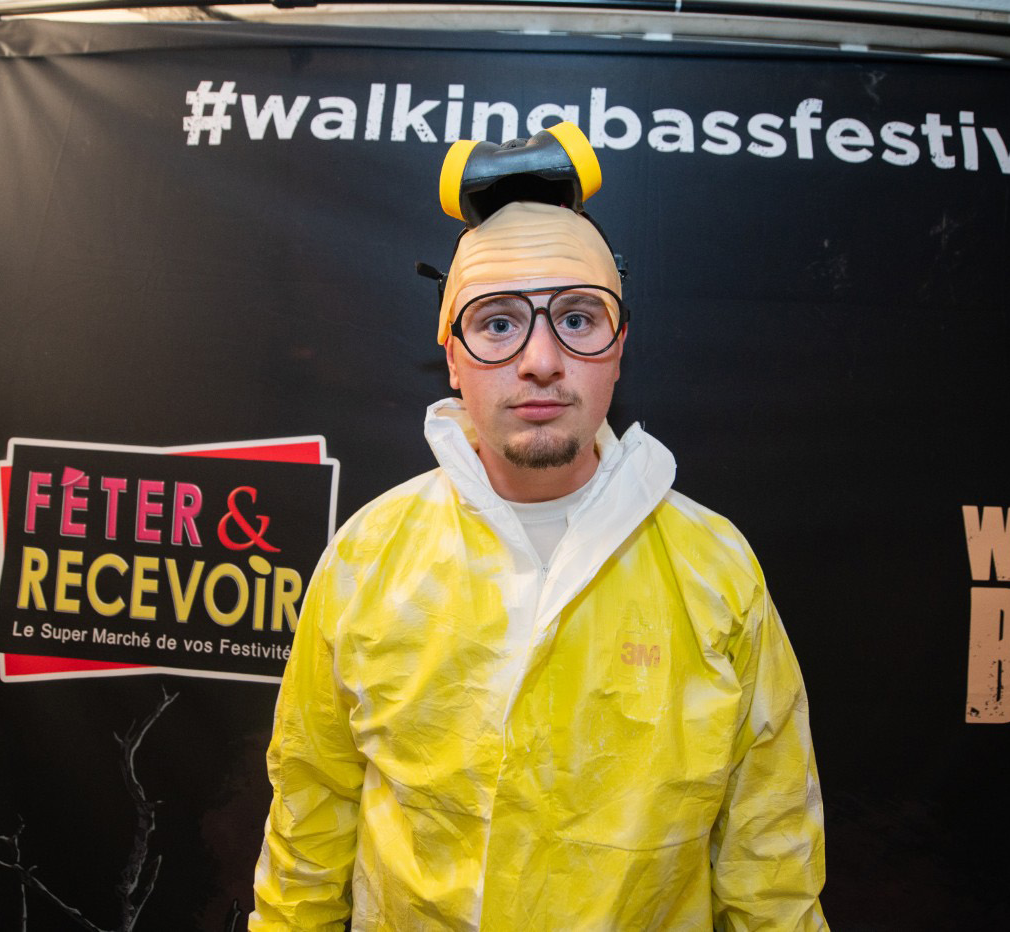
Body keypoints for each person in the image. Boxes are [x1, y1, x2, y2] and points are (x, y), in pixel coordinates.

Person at [251, 125, 827, 931]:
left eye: (578, 319)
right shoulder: (367, 560)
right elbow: (308, 830)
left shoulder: (715, 570)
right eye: (497, 323)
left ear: (618, 350)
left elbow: (771, 866)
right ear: (452, 357)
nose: (541, 360)